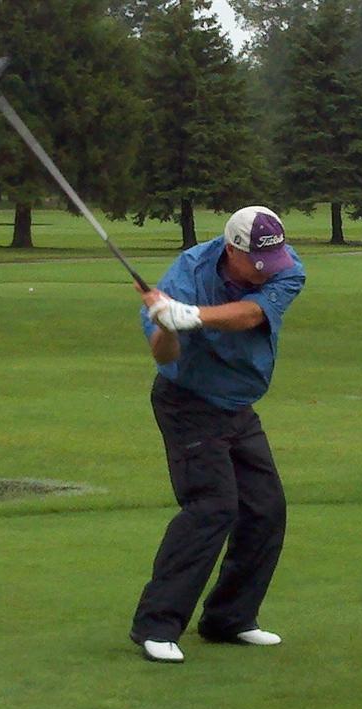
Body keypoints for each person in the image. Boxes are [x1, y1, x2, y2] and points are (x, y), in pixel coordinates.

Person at [130, 206, 306, 664]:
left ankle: (230, 618)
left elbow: (251, 315)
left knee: (265, 508)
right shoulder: (187, 273)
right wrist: (168, 323)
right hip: (187, 403)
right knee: (212, 506)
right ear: (233, 249)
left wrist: (191, 316)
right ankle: (157, 625)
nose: (269, 273)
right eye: (259, 264)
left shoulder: (286, 268)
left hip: (236, 406)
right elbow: (164, 354)